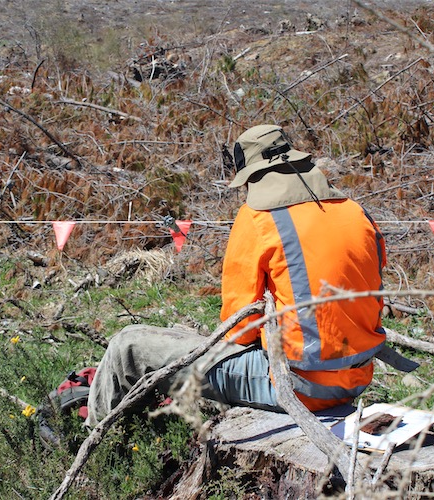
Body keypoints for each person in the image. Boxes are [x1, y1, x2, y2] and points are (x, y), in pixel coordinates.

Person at [84, 124, 415, 428]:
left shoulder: (258, 217)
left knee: (128, 346)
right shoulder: (356, 212)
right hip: (356, 379)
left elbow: (239, 330)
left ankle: (98, 442)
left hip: (296, 387)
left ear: (250, 176)